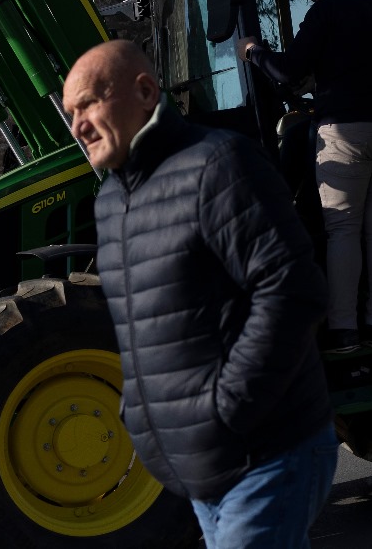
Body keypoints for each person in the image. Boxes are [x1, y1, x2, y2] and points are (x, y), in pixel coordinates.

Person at [63, 40, 337, 549]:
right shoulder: (109, 203)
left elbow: (293, 289)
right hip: (199, 468)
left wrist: (226, 408)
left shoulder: (219, 164)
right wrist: (142, 414)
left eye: (87, 104)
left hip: (265, 451)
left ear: (145, 92)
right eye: (69, 114)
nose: (77, 125)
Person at [238, 0, 372, 353]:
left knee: (343, 229)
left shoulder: (329, 10)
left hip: (347, 130)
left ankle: (343, 330)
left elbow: (287, 72)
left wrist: (253, 51)